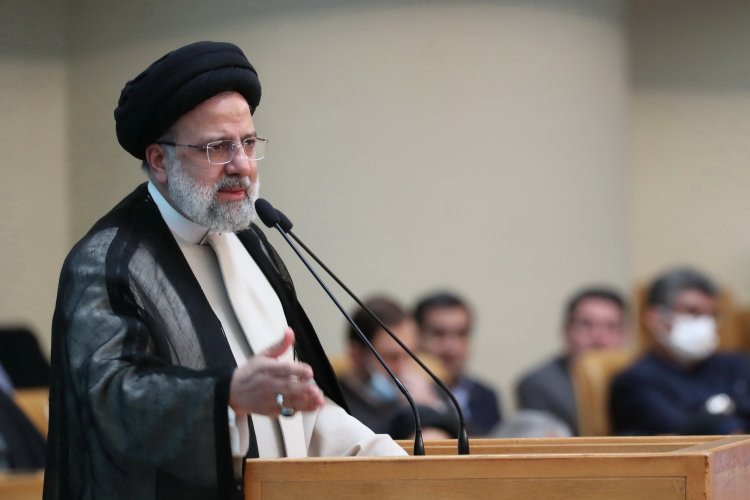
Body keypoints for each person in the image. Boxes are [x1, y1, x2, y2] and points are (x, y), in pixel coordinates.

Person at [44, 41, 405, 500]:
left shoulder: (249, 242)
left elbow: (297, 418)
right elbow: (108, 403)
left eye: (248, 143)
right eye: (217, 147)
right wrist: (225, 395)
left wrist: (387, 460)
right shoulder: (108, 261)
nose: (242, 166)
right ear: (159, 161)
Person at [610, 267, 750, 435]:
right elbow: (683, 434)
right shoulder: (636, 382)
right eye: (692, 312)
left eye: (712, 315)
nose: (705, 324)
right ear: (655, 319)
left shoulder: (736, 365)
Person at [516, 287, 628, 435]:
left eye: (611, 326)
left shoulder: (639, 380)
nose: (599, 336)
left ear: (625, 334)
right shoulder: (539, 384)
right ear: (566, 330)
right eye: (586, 324)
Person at [338, 296, 445, 435]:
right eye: (392, 357)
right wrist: (419, 411)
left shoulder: (427, 391)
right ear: (356, 355)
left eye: (409, 354)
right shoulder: (335, 405)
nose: (403, 368)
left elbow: (470, 438)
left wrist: (433, 406)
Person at [414, 291, 501, 436]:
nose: (451, 346)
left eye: (461, 334)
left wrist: (437, 407)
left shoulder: (486, 396)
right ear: (416, 336)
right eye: (439, 334)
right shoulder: (402, 393)